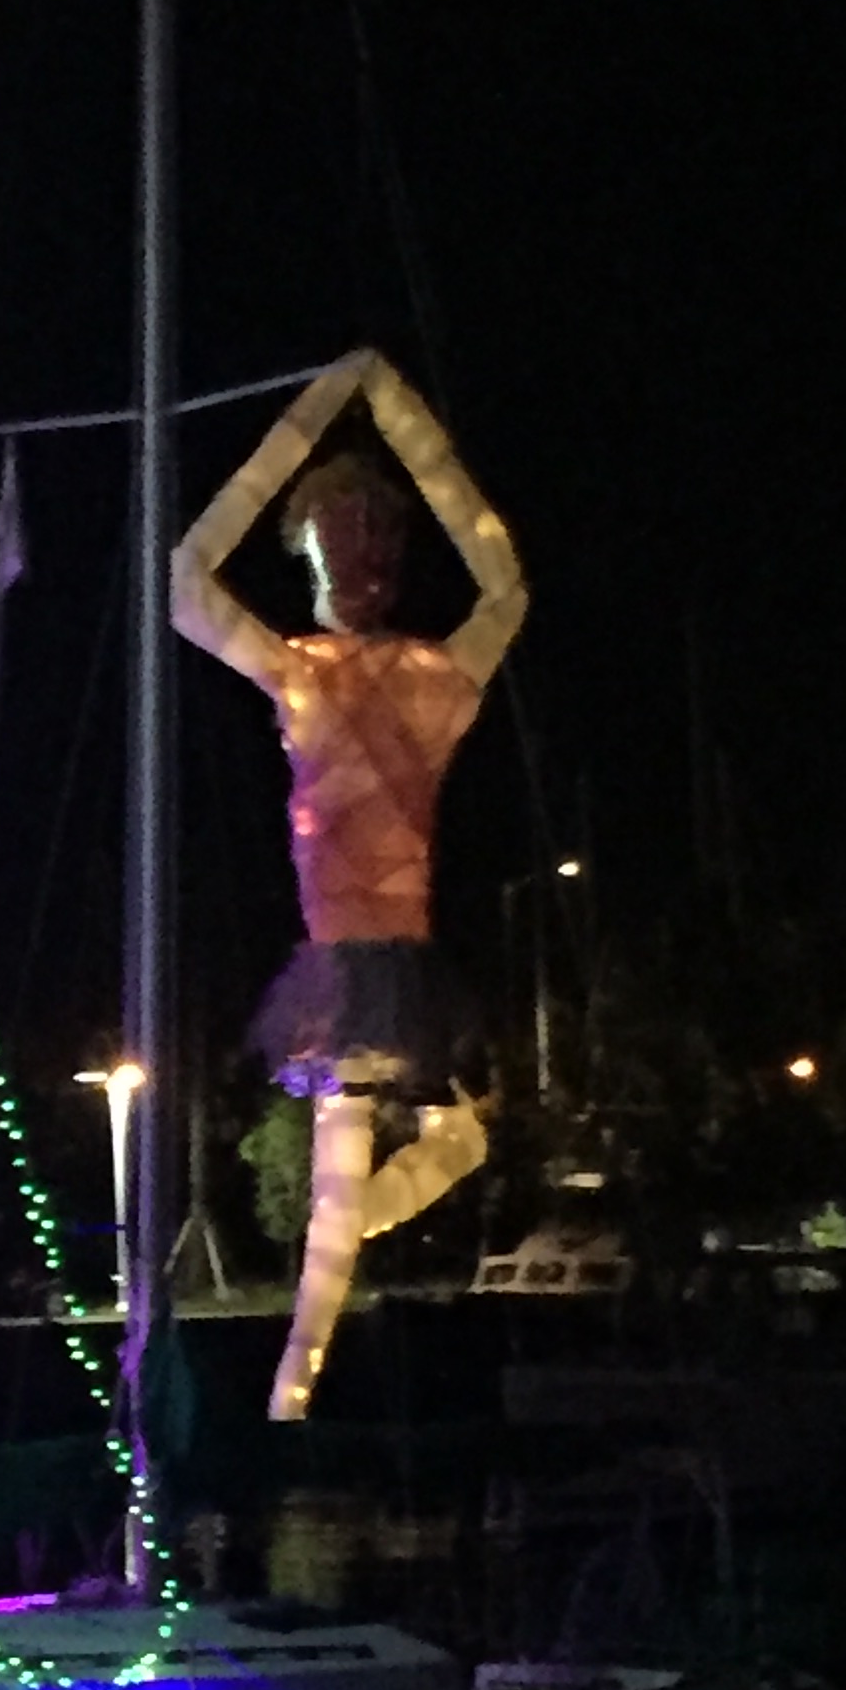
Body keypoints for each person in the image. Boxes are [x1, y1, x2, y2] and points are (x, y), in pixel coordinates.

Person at [172, 347, 527, 1421]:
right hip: (350, 962)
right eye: (345, 548)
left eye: (374, 549)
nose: (363, 571)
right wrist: (348, 412)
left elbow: (506, 583)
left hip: (383, 957)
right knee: (373, 1155)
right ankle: (293, 1388)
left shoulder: (405, 677)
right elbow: (187, 583)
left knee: (446, 1143)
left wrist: (373, 420)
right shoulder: (323, 674)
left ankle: (309, 1343)